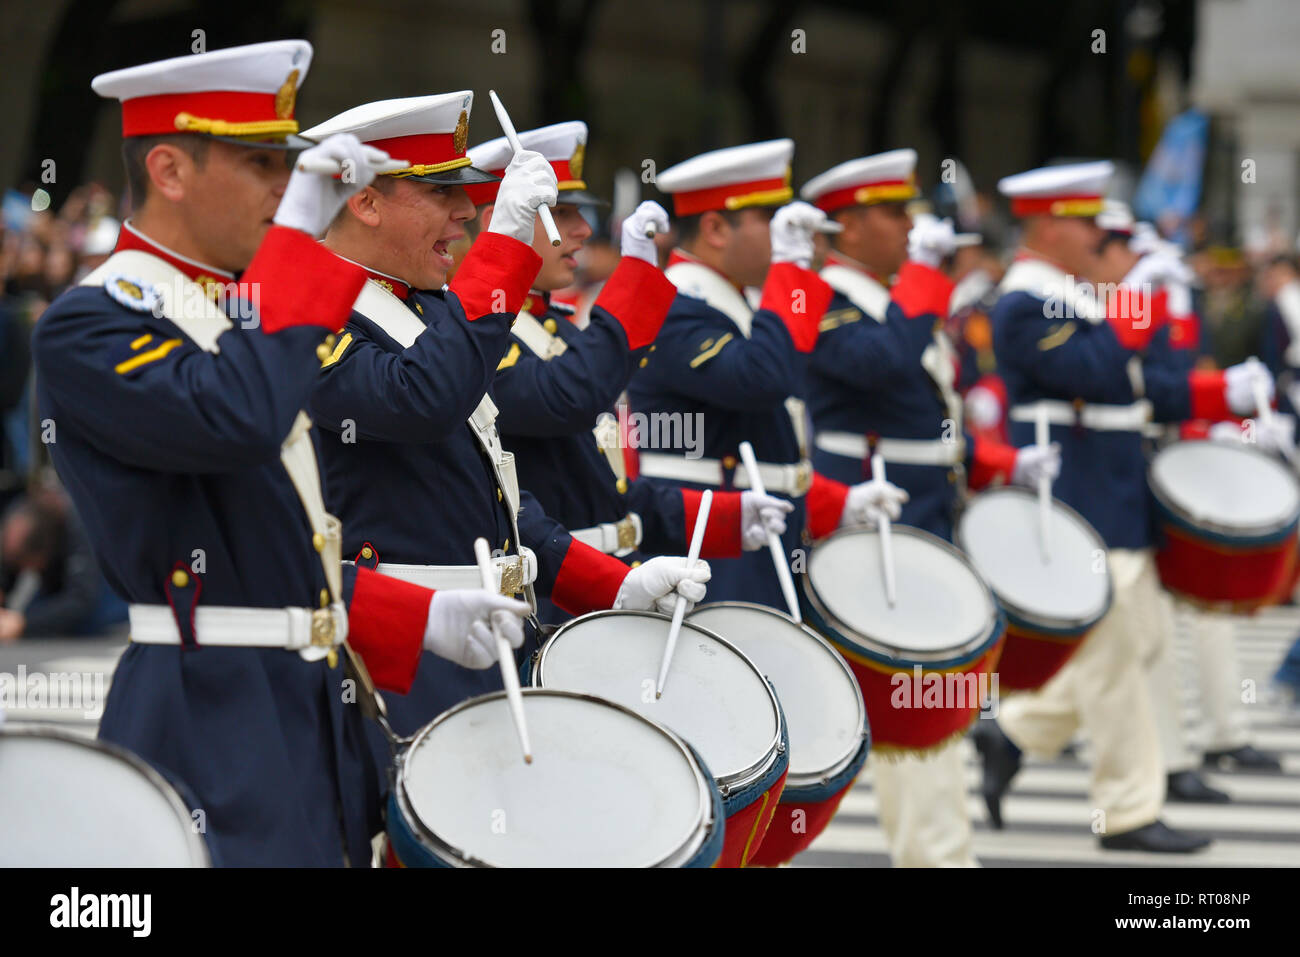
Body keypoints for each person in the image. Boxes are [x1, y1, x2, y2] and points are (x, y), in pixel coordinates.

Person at [31, 42, 531, 866]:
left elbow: (271, 555)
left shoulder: (229, 315)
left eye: (288, 165)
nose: (286, 186)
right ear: (169, 169)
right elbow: (239, 419)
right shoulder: (92, 323)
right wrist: (301, 243)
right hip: (207, 715)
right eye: (262, 162)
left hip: (306, 717)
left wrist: (417, 615)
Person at [304, 96, 710, 733]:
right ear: (366, 201)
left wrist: (611, 585)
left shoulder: (428, 308)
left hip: (494, 640)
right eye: (441, 191)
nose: (466, 210)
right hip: (399, 658)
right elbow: (422, 399)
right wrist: (504, 245)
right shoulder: (306, 314)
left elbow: (499, 502)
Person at [982, 160, 1274, 852]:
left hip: (1114, 493)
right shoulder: (1027, 300)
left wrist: (1224, 391)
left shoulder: (1073, 296)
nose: (1097, 238)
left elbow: (1143, 387)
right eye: (1086, 224)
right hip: (1078, 493)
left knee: (1137, 643)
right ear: (1049, 225)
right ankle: (1128, 811)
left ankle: (1015, 733)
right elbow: (1094, 371)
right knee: (1114, 658)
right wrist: (1138, 306)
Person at [797, 149, 1058, 867]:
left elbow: (925, 425)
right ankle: (940, 859)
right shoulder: (821, 297)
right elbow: (877, 362)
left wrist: (1000, 462)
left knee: (932, 701)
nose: (909, 227)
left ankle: (940, 854)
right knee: (917, 705)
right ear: (845, 226)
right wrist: (924, 277)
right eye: (891, 213)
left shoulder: (889, 301)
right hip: (872, 528)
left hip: (924, 522)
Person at [463, 121, 793, 623]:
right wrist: (636, 280)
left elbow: (607, 488)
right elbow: (567, 397)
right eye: (562, 212)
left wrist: (722, 515)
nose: (582, 232)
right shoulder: (478, 337)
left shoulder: (552, 329)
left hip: (608, 581)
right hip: (549, 593)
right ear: (504, 218)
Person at [628, 139, 908, 607]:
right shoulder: (672, 304)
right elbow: (760, 379)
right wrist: (791, 270)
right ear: (716, 228)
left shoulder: (735, 299)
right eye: (770, 222)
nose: (787, 240)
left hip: (757, 542)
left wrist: (836, 502)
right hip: (707, 550)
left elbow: (762, 449)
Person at [0, 483, 125, 640]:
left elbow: (81, 598)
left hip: (98, 586)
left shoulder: (81, 524)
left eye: (28, 565)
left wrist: (24, 624)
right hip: (55, 577)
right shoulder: (17, 513)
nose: (26, 571)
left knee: (88, 619)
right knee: (31, 616)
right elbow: (10, 560)